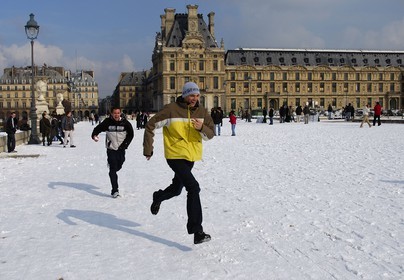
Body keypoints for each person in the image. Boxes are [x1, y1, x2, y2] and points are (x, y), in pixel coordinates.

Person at [143, 81, 214, 245]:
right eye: (191, 95)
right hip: (175, 155)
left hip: (190, 156)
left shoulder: (202, 111)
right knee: (193, 187)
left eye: (197, 95)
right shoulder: (171, 110)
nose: (195, 98)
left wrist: (201, 127)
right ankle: (197, 231)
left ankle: (158, 196)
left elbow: (210, 134)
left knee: (176, 189)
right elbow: (150, 125)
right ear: (184, 95)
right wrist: (148, 149)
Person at [91, 107, 134, 198]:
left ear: (120, 113)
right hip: (111, 149)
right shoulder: (107, 122)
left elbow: (131, 134)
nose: (116, 115)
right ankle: (115, 190)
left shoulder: (125, 123)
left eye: (118, 113)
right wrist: (94, 135)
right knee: (113, 169)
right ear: (111, 113)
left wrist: (125, 145)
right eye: (115, 113)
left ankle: (113, 168)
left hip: (121, 149)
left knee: (120, 164)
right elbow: (97, 129)